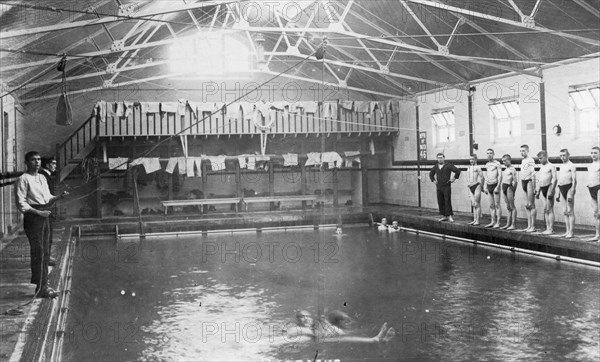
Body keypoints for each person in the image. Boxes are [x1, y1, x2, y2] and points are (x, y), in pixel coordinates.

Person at [15, 151, 67, 298]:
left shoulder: (42, 178)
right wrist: (39, 213)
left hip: (44, 214)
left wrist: (59, 197)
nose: (37, 162)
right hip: (33, 217)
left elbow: (47, 197)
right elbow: (21, 204)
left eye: (38, 159)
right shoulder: (22, 179)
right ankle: (41, 287)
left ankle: (43, 284)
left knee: (45, 252)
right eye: (33, 160)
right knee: (38, 252)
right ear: (26, 162)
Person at [289, 310, 395, 344]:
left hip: (322, 337)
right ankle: (375, 339)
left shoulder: (316, 325)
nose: (306, 318)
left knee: (347, 333)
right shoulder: (295, 328)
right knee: (342, 337)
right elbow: (292, 333)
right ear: (298, 320)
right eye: (302, 317)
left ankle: (379, 338)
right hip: (313, 341)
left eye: (308, 316)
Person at [429, 153, 461, 223]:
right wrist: (434, 181)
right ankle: (444, 216)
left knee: (447, 201)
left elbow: (457, 171)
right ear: (437, 159)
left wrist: (454, 178)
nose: (440, 159)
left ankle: (450, 216)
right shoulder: (436, 166)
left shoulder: (448, 165)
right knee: (440, 201)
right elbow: (431, 174)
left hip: (446, 186)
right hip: (439, 187)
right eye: (438, 158)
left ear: (444, 158)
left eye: (441, 157)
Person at [39, 157, 58, 266]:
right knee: (46, 235)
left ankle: (47, 256)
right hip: (44, 209)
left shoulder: (47, 176)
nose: (55, 165)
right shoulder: (43, 176)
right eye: (53, 163)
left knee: (48, 235)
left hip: (48, 209)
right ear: (47, 165)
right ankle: (45, 258)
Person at [556, 149, 577, 238]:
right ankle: (567, 231)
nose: (562, 157)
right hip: (561, 188)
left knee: (570, 211)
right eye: (561, 156)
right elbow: (559, 179)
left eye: (564, 155)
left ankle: (571, 232)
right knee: (565, 211)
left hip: (569, 188)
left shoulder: (572, 165)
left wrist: (572, 191)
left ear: (568, 155)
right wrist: (558, 193)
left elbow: (574, 180)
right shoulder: (561, 166)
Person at [535, 151, 557, 235]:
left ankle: (551, 229)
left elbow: (554, 179)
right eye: (539, 159)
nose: (539, 160)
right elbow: (540, 180)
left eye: (541, 158)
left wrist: (551, 190)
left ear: (545, 157)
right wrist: (538, 191)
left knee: (549, 209)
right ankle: (548, 228)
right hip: (542, 188)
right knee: (545, 209)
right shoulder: (541, 168)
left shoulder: (551, 166)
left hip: (549, 188)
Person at [519, 145, 537, 232]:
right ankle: (529, 225)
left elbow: (533, 174)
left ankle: (533, 226)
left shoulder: (531, 160)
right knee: (527, 206)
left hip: (529, 181)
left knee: (531, 205)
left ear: (527, 150)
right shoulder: (523, 161)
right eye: (520, 151)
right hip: (523, 182)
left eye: (523, 151)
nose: (522, 153)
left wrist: (534, 187)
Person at [483, 149, 502, 228]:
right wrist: (485, 186)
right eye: (488, 153)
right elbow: (486, 176)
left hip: (495, 185)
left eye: (491, 153)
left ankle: (498, 222)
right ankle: (492, 221)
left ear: (493, 154)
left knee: (497, 205)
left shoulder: (497, 163)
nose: (489, 155)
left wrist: (498, 186)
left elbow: (500, 175)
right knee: (491, 205)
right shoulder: (487, 164)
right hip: (489, 185)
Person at [500, 155, 518, 230]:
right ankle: (508, 224)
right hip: (503, 187)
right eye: (502, 161)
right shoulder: (506, 169)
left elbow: (515, 181)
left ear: (509, 160)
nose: (503, 162)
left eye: (505, 161)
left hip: (509, 187)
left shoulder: (512, 169)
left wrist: (513, 191)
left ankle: (513, 224)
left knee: (512, 207)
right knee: (508, 207)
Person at [586, 146, 600, 242]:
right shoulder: (590, 165)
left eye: (595, 153)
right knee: (595, 214)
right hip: (591, 189)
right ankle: (597, 235)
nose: (593, 155)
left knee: (599, 214)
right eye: (592, 153)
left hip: (599, 188)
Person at [466, 154, 484, 226]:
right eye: (470, 159)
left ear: (476, 160)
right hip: (470, 187)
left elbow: (482, 177)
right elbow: (468, 178)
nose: (471, 161)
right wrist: (468, 184)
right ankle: (474, 220)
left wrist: (482, 187)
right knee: (473, 204)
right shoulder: (469, 168)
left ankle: (478, 220)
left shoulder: (478, 167)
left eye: (473, 159)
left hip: (477, 186)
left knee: (477, 204)